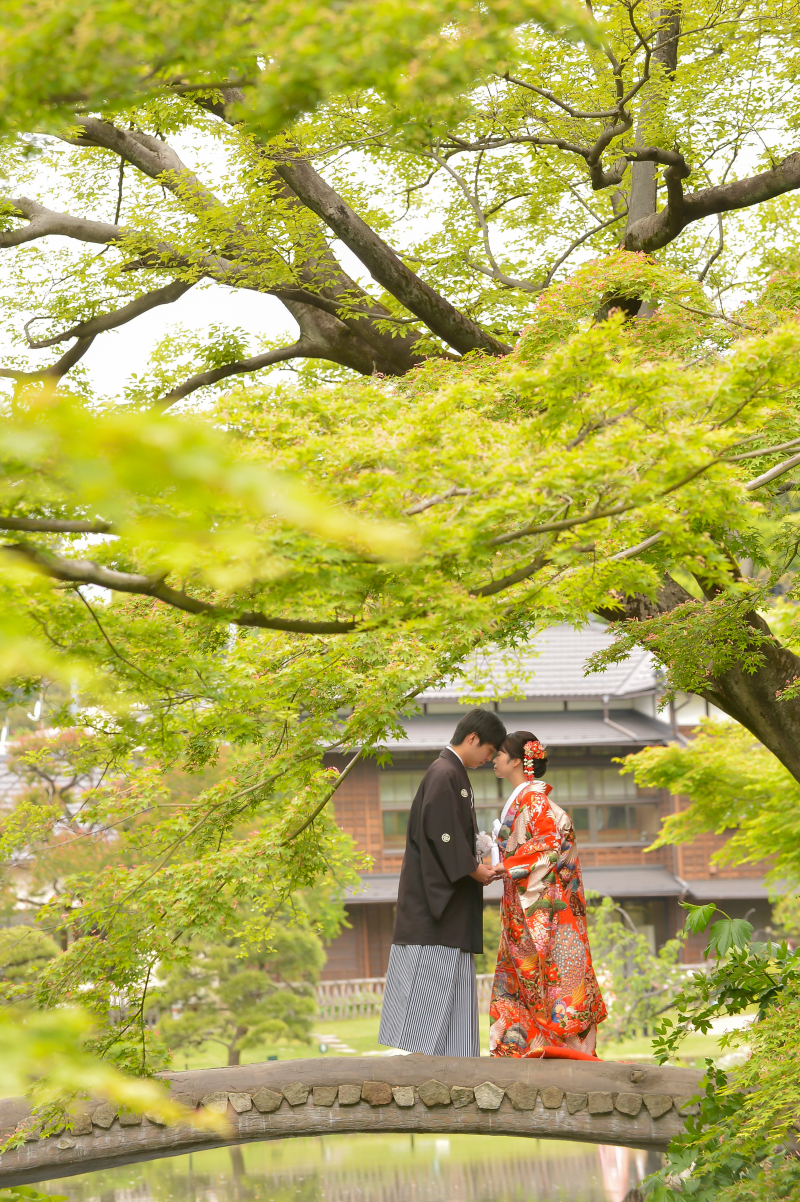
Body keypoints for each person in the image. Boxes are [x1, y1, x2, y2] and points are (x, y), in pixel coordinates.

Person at [378, 707, 507, 1056]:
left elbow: (451, 834)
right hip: (434, 913)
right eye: (489, 751)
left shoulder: (451, 773)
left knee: (452, 999)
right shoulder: (444, 772)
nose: (488, 759)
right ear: (473, 738)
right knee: (429, 994)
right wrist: (473, 868)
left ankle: (457, 1066)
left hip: (448, 910)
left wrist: (474, 857)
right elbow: (442, 834)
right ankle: (426, 1071)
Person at [489, 730, 607, 1057]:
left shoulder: (533, 799)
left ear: (515, 760)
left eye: (499, 753)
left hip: (539, 907)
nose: (494, 759)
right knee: (529, 977)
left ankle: (562, 1051)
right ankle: (528, 1050)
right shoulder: (526, 798)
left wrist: (507, 865)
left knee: (546, 977)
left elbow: (548, 845)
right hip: (530, 900)